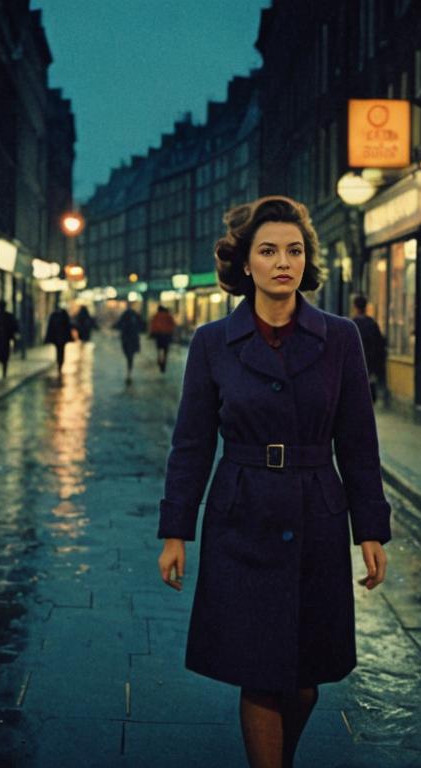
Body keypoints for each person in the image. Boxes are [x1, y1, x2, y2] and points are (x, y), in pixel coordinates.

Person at [156, 196, 390, 768]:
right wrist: (175, 531)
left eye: (294, 250)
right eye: (268, 251)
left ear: (306, 261)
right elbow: (190, 443)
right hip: (242, 513)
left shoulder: (340, 340)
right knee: (259, 674)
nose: (282, 261)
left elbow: (358, 442)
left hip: (318, 512)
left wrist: (371, 530)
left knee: (305, 679)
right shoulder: (213, 343)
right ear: (246, 265)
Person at [350, 294, 386, 404]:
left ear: (355, 307)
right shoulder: (372, 324)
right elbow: (380, 345)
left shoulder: (352, 324)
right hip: (370, 363)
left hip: (356, 364)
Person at [0, 299, 20, 379]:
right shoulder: (6, 316)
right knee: (4, 357)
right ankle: (3, 374)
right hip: (4, 340)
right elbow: (14, 327)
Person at [113, 302, 144, 383]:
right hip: (133, 338)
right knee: (130, 357)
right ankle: (129, 371)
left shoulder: (125, 315)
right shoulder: (135, 315)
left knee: (128, 356)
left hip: (126, 339)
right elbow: (141, 325)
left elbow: (118, 325)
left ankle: (129, 372)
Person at [44, 304, 74, 378]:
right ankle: (60, 364)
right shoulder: (61, 315)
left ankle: (60, 364)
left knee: (60, 351)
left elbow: (67, 326)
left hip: (59, 338)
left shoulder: (57, 315)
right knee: (60, 351)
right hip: (59, 338)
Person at [149, 305, 177, 373]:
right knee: (165, 350)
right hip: (167, 335)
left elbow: (153, 325)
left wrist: (153, 333)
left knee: (159, 348)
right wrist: (171, 332)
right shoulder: (168, 316)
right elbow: (173, 325)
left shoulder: (156, 316)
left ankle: (159, 359)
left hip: (159, 335)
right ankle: (164, 361)